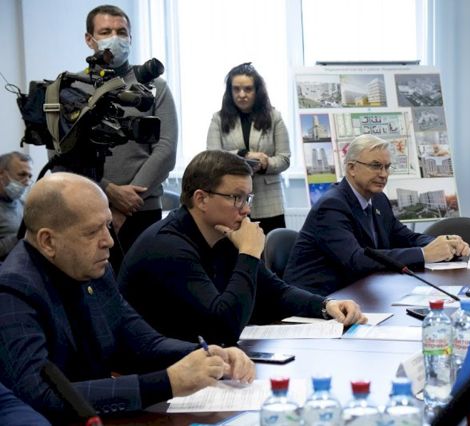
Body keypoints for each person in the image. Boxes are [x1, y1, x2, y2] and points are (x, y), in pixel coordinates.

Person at [0, 172, 254, 422]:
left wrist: (208, 356)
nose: (109, 241)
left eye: (108, 225)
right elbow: (40, 396)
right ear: (47, 241)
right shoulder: (13, 290)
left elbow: (142, 343)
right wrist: (167, 382)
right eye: (92, 232)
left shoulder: (93, 268)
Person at [118, 150, 365, 347]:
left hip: (201, 356)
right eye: (236, 198)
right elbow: (224, 327)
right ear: (201, 199)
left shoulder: (223, 233)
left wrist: (325, 306)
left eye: (248, 198)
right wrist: (248, 253)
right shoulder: (168, 247)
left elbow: (275, 292)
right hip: (155, 372)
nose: (246, 209)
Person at [284, 134, 470, 296]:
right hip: (318, 301)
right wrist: (424, 254)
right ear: (351, 168)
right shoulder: (332, 206)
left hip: (359, 292)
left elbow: (405, 237)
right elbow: (356, 260)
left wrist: (444, 244)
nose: (384, 174)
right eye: (375, 166)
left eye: (387, 167)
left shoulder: (379, 199)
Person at [83, 5, 178, 252]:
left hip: (144, 208)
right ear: (90, 39)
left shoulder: (155, 86)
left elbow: (166, 149)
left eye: (121, 32)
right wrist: (109, 191)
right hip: (88, 207)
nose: (115, 38)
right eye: (106, 32)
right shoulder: (73, 88)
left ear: (131, 38)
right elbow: (64, 157)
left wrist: (128, 203)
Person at [206, 62, 290, 234]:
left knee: (269, 248)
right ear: (229, 91)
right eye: (236, 89)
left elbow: (284, 158)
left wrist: (266, 163)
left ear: (257, 91)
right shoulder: (218, 119)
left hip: (269, 201)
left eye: (248, 89)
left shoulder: (274, 117)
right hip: (232, 200)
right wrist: (243, 154)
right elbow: (211, 157)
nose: (241, 94)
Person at [0, 151, 32, 260]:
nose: (27, 182)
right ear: (1, 174)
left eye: (29, 176)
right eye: (22, 175)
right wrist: (22, 235)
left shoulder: (23, 204)